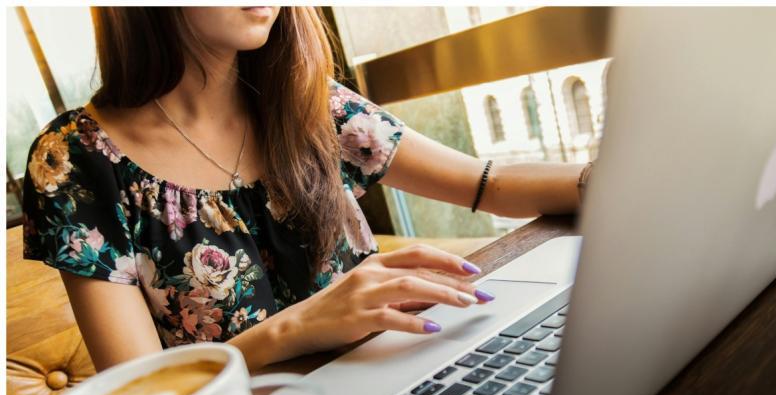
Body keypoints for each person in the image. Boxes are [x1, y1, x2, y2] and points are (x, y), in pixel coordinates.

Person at [21, 7, 587, 373]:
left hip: (393, 380)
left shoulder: (307, 101)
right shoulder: (75, 159)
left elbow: (487, 184)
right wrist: (296, 328)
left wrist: (610, 177)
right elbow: (137, 394)